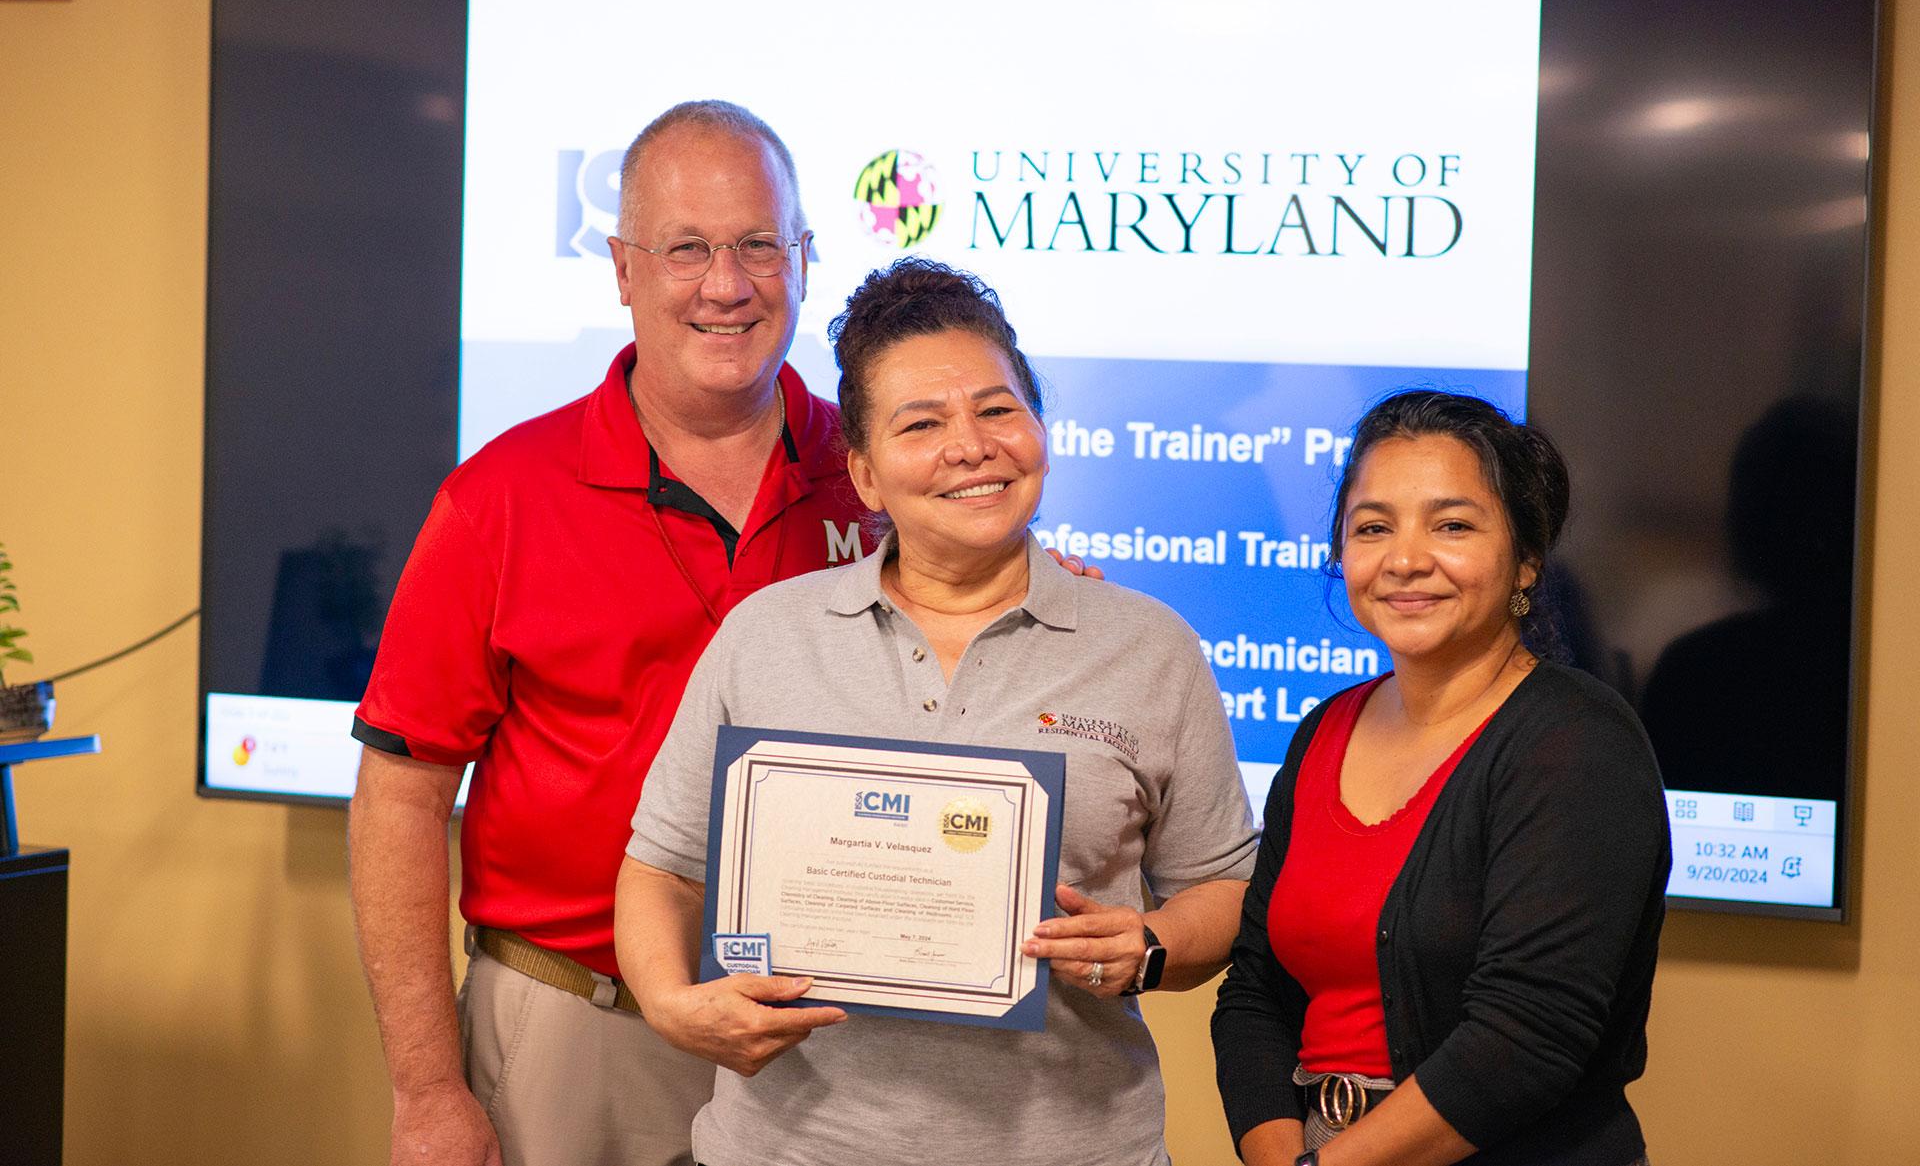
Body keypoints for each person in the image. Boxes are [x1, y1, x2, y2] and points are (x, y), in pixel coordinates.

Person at [616, 258, 1257, 1166]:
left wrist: (1151, 944)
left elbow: (1225, 886)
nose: (972, 444)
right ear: (866, 474)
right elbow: (664, 867)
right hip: (792, 1150)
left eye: (998, 410)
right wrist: (673, 1005)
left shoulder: (1150, 647)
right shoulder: (767, 636)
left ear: (1040, 429)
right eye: (923, 423)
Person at [347, 101, 866, 1166]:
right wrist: (426, 1090)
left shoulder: (878, 476)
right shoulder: (500, 498)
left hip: (830, 1047)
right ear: (624, 270)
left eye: (758, 244)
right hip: (578, 1033)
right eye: (686, 249)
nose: (726, 284)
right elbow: (400, 795)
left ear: (806, 258)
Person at [1211, 390, 1670, 1166]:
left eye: (1452, 524)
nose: (1406, 558)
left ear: (1526, 557)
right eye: (1373, 527)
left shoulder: (1577, 740)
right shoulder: (1324, 730)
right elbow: (1255, 990)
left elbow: (1527, 1035)